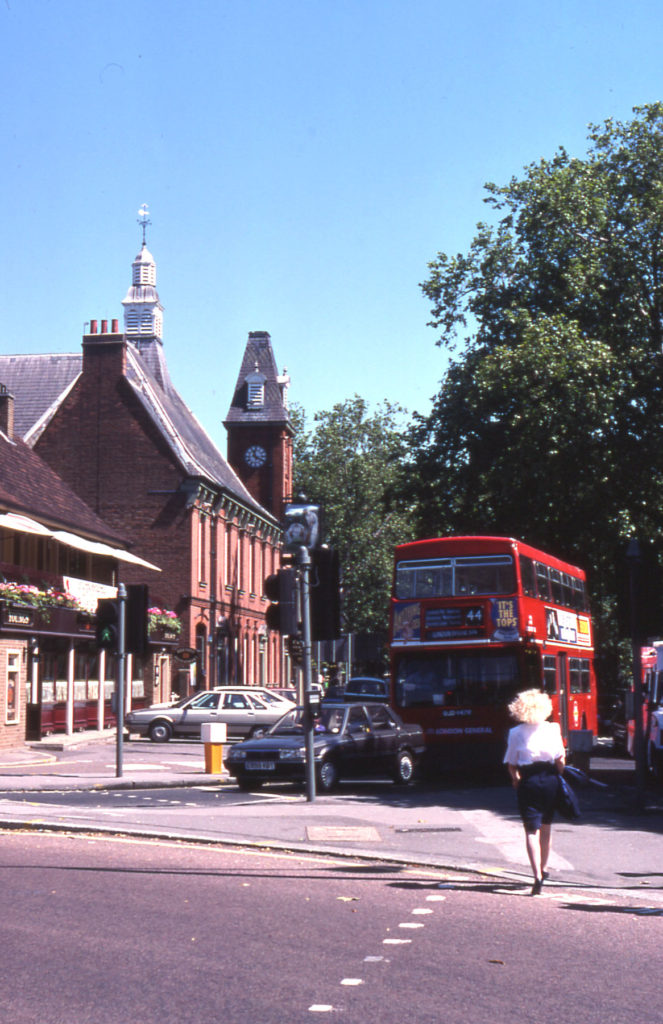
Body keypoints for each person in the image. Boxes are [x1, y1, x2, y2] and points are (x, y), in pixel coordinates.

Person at [504, 689, 565, 895]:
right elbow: (560, 760)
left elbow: (511, 763)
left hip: (528, 780)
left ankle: (536, 875)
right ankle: (545, 868)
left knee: (531, 830)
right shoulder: (553, 728)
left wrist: (516, 780)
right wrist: (557, 776)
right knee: (546, 826)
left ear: (520, 709)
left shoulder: (515, 733)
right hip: (550, 779)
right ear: (545, 707)